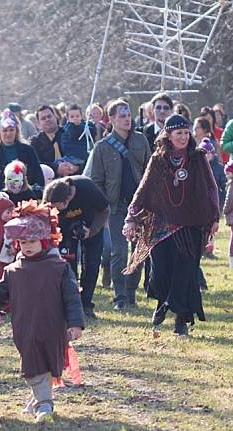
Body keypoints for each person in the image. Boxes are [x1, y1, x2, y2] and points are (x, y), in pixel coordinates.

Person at [0, 202, 85, 422]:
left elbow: (72, 297)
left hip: (53, 327)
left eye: (33, 241)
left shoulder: (58, 268)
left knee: (45, 363)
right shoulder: (13, 271)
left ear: (44, 241)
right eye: (23, 242)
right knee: (32, 363)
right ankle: (40, 400)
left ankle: (44, 403)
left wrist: (75, 323)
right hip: (25, 328)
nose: (28, 246)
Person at [122, 115, 220, 336]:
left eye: (186, 133)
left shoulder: (197, 158)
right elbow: (144, 189)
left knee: (184, 273)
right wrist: (132, 217)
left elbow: (211, 188)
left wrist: (214, 217)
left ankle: (180, 320)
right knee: (161, 273)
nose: (184, 137)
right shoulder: (158, 160)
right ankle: (163, 302)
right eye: (179, 133)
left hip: (191, 224)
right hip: (162, 224)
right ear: (168, 135)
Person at [84, 98, 151, 310]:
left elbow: (150, 172)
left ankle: (131, 293)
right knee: (119, 252)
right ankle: (120, 296)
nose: (126, 119)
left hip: (139, 206)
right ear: (111, 119)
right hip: (115, 207)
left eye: (128, 115)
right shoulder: (102, 147)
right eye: (121, 116)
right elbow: (96, 181)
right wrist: (102, 211)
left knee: (139, 252)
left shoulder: (141, 140)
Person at [43, 176, 109, 320]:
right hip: (64, 229)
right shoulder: (51, 191)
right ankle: (69, 304)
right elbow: (45, 215)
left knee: (91, 263)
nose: (55, 209)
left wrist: (91, 230)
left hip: (91, 225)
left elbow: (104, 210)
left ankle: (86, 304)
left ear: (67, 200)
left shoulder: (88, 188)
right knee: (67, 265)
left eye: (57, 206)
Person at [0, 110, 45, 198]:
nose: (8, 133)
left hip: (27, 202)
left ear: (16, 131)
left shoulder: (28, 150)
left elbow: (39, 178)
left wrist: (34, 195)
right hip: (4, 204)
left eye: (11, 129)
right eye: (4, 130)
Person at [31, 104, 72, 176]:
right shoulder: (35, 142)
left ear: (56, 117)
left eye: (49, 116)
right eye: (43, 118)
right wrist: (56, 168)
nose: (47, 119)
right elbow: (36, 163)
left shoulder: (70, 134)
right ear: (38, 124)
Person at [60, 103, 96, 168]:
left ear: (81, 116)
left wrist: (83, 126)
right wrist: (73, 125)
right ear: (67, 118)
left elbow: (93, 133)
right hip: (70, 156)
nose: (75, 118)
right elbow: (72, 134)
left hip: (82, 156)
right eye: (72, 117)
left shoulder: (86, 126)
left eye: (77, 116)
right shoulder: (67, 128)